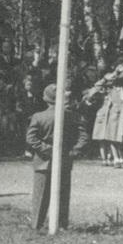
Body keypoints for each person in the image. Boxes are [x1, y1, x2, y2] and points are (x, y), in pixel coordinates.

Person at [26, 83, 89, 231]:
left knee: (40, 195)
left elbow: (31, 138)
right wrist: (72, 152)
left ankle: (36, 225)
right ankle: (62, 225)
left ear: (46, 99)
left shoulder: (39, 116)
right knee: (63, 194)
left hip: (43, 161)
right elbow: (83, 138)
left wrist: (46, 149)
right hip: (65, 159)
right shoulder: (74, 116)